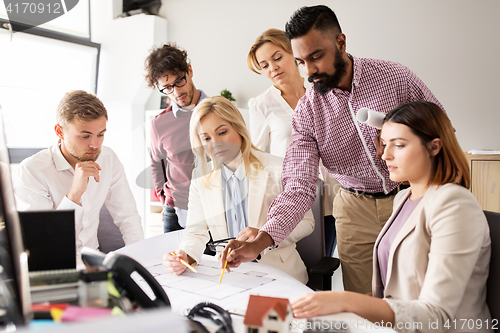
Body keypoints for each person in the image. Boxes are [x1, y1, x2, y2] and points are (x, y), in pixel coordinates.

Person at [223, 5, 444, 294]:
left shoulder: (395, 78)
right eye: (301, 62)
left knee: (419, 291)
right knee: (364, 298)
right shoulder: (307, 112)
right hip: (354, 209)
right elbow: (298, 187)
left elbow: (442, 131)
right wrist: (263, 238)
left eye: (316, 57)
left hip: (411, 198)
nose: (310, 71)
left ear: (340, 42)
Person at [291, 101, 492, 333]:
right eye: (384, 144)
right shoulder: (403, 198)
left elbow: (436, 315)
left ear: (434, 147)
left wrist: (345, 301)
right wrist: (336, 312)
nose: (384, 155)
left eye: (398, 145)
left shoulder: (455, 204)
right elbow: (393, 293)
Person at [163, 96, 314, 283]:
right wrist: (186, 255)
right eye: (206, 138)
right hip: (230, 277)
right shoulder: (201, 180)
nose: (216, 143)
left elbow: (307, 222)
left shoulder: (278, 167)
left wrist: (264, 234)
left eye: (222, 132)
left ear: (239, 128)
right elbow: (196, 231)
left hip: (281, 274)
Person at [13, 90, 144, 258]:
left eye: (101, 134)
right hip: (54, 265)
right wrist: (74, 194)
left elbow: (128, 216)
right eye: (85, 136)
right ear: (59, 131)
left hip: (94, 262)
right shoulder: (31, 171)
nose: (95, 145)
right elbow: (45, 241)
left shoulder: (108, 158)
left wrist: (139, 259)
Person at [247, 28, 338, 255]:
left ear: (293, 54)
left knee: (325, 263)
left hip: (333, 197)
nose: (273, 68)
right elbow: (255, 158)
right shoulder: (261, 105)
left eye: (277, 58)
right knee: (299, 267)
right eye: (264, 65)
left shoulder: (324, 91)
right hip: (293, 201)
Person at [145, 43, 208, 232]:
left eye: (180, 81)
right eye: (167, 88)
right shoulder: (159, 124)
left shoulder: (220, 111)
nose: (176, 92)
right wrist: (165, 200)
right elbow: (157, 163)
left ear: (189, 71)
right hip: (175, 212)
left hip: (214, 208)